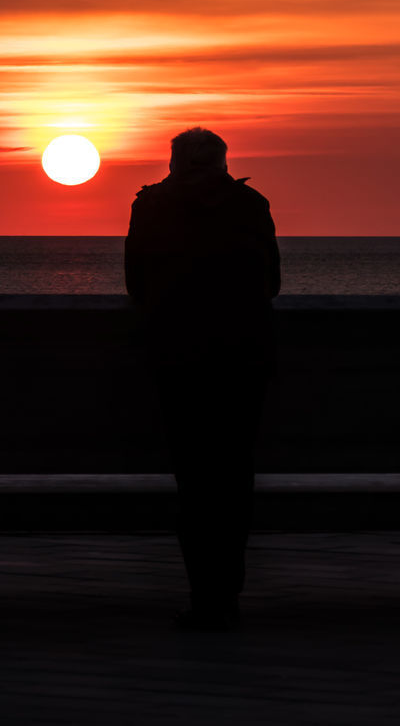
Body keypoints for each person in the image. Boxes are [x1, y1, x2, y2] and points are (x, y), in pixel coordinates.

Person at [124, 126, 280, 631]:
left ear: (173, 163)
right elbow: (271, 283)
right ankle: (226, 594)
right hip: (241, 360)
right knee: (233, 476)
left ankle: (202, 596)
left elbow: (136, 284)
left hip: (178, 360)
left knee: (194, 479)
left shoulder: (150, 207)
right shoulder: (251, 205)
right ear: (223, 162)